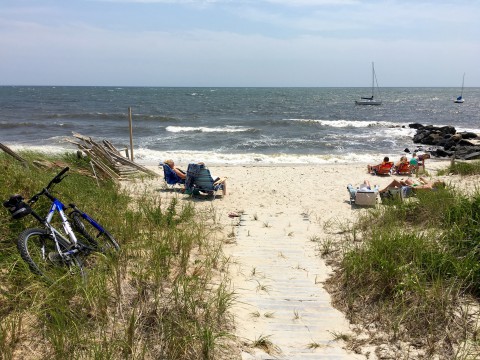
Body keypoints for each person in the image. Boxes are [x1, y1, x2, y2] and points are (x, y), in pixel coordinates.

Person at [379, 177, 445, 193]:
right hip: (409, 189)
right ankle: (385, 191)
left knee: (395, 181)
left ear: (438, 185)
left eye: (438, 181)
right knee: (401, 182)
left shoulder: (428, 187)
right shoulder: (432, 187)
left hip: (408, 191)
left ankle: (382, 191)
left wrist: (410, 185)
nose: (437, 180)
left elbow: (414, 189)